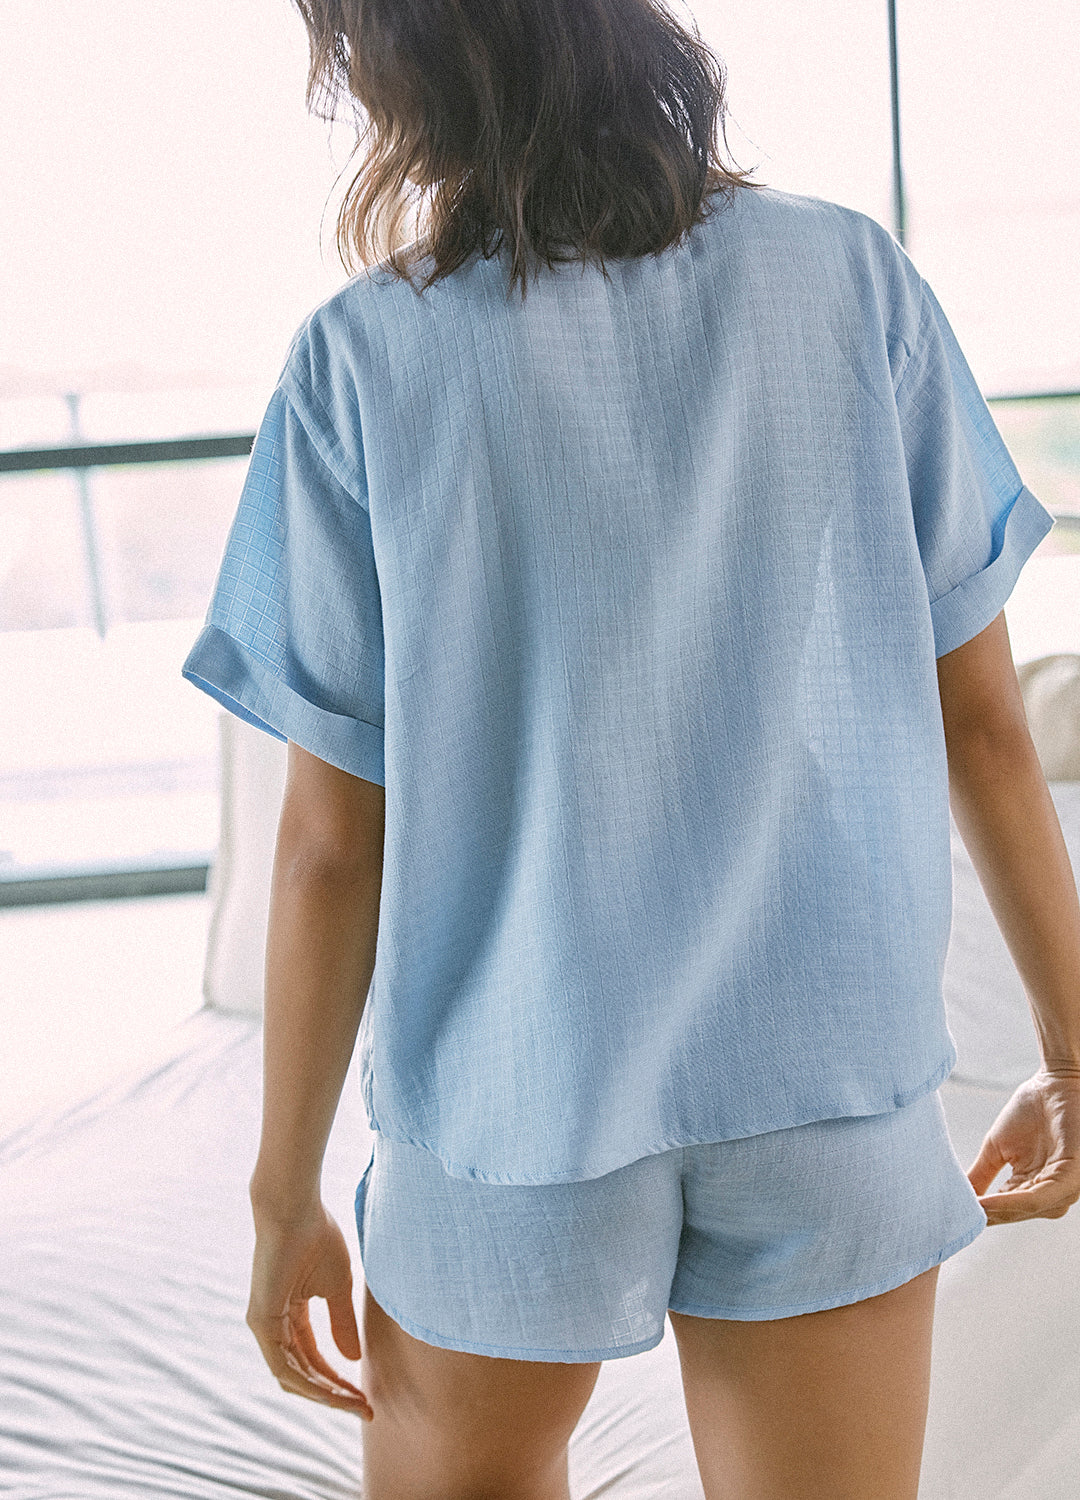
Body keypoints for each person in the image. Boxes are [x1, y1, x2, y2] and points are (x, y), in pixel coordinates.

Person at [180, 1, 1080, 1495]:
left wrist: (284, 1202)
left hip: (510, 1101)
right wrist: (1076, 1047)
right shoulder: (850, 278)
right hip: (823, 1076)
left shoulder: (360, 359)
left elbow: (331, 845)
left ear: (393, 74)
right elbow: (984, 726)